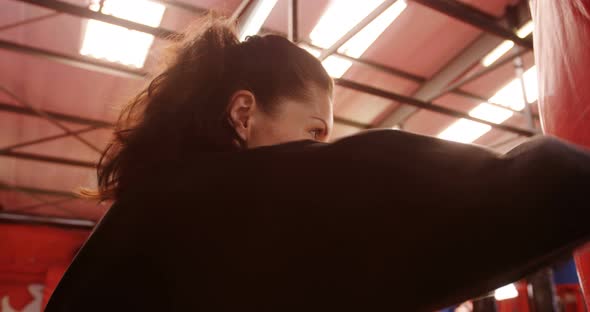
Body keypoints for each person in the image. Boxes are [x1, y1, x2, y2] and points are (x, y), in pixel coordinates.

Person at [46, 16, 590, 311]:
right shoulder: (232, 202)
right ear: (243, 114)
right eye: (314, 132)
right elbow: (537, 190)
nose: (320, 153)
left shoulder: (141, 218)